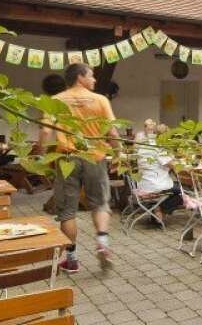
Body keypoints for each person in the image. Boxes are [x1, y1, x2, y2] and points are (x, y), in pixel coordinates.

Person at [38, 63, 120, 273]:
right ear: (79, 77)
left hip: (67, 159)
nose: (95, 79)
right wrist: (118, 154)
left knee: (67, 212)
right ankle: (102, 243)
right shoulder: (101, 100)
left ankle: (71, 260)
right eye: (91, 75)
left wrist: (41, 156)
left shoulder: (55, 101)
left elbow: (45, 132)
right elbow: (112, 132)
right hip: (95, 157)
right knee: (100, 204)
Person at [133, 119, 181, 226]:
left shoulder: (143, 145)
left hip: (143, 185)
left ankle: (157, 210)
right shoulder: (159, 148)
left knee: (175, 187)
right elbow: (174, 166)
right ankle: (160, 213)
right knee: (183, 192)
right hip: (155, 185)